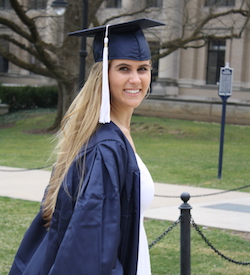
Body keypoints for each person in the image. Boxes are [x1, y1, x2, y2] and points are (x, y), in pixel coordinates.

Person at [9, 18, 165, 275]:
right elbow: (91, 244)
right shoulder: (106, 147)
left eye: (143, 69)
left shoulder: (115, 134)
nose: (136, 79)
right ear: (103, 75)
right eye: (124, 68)